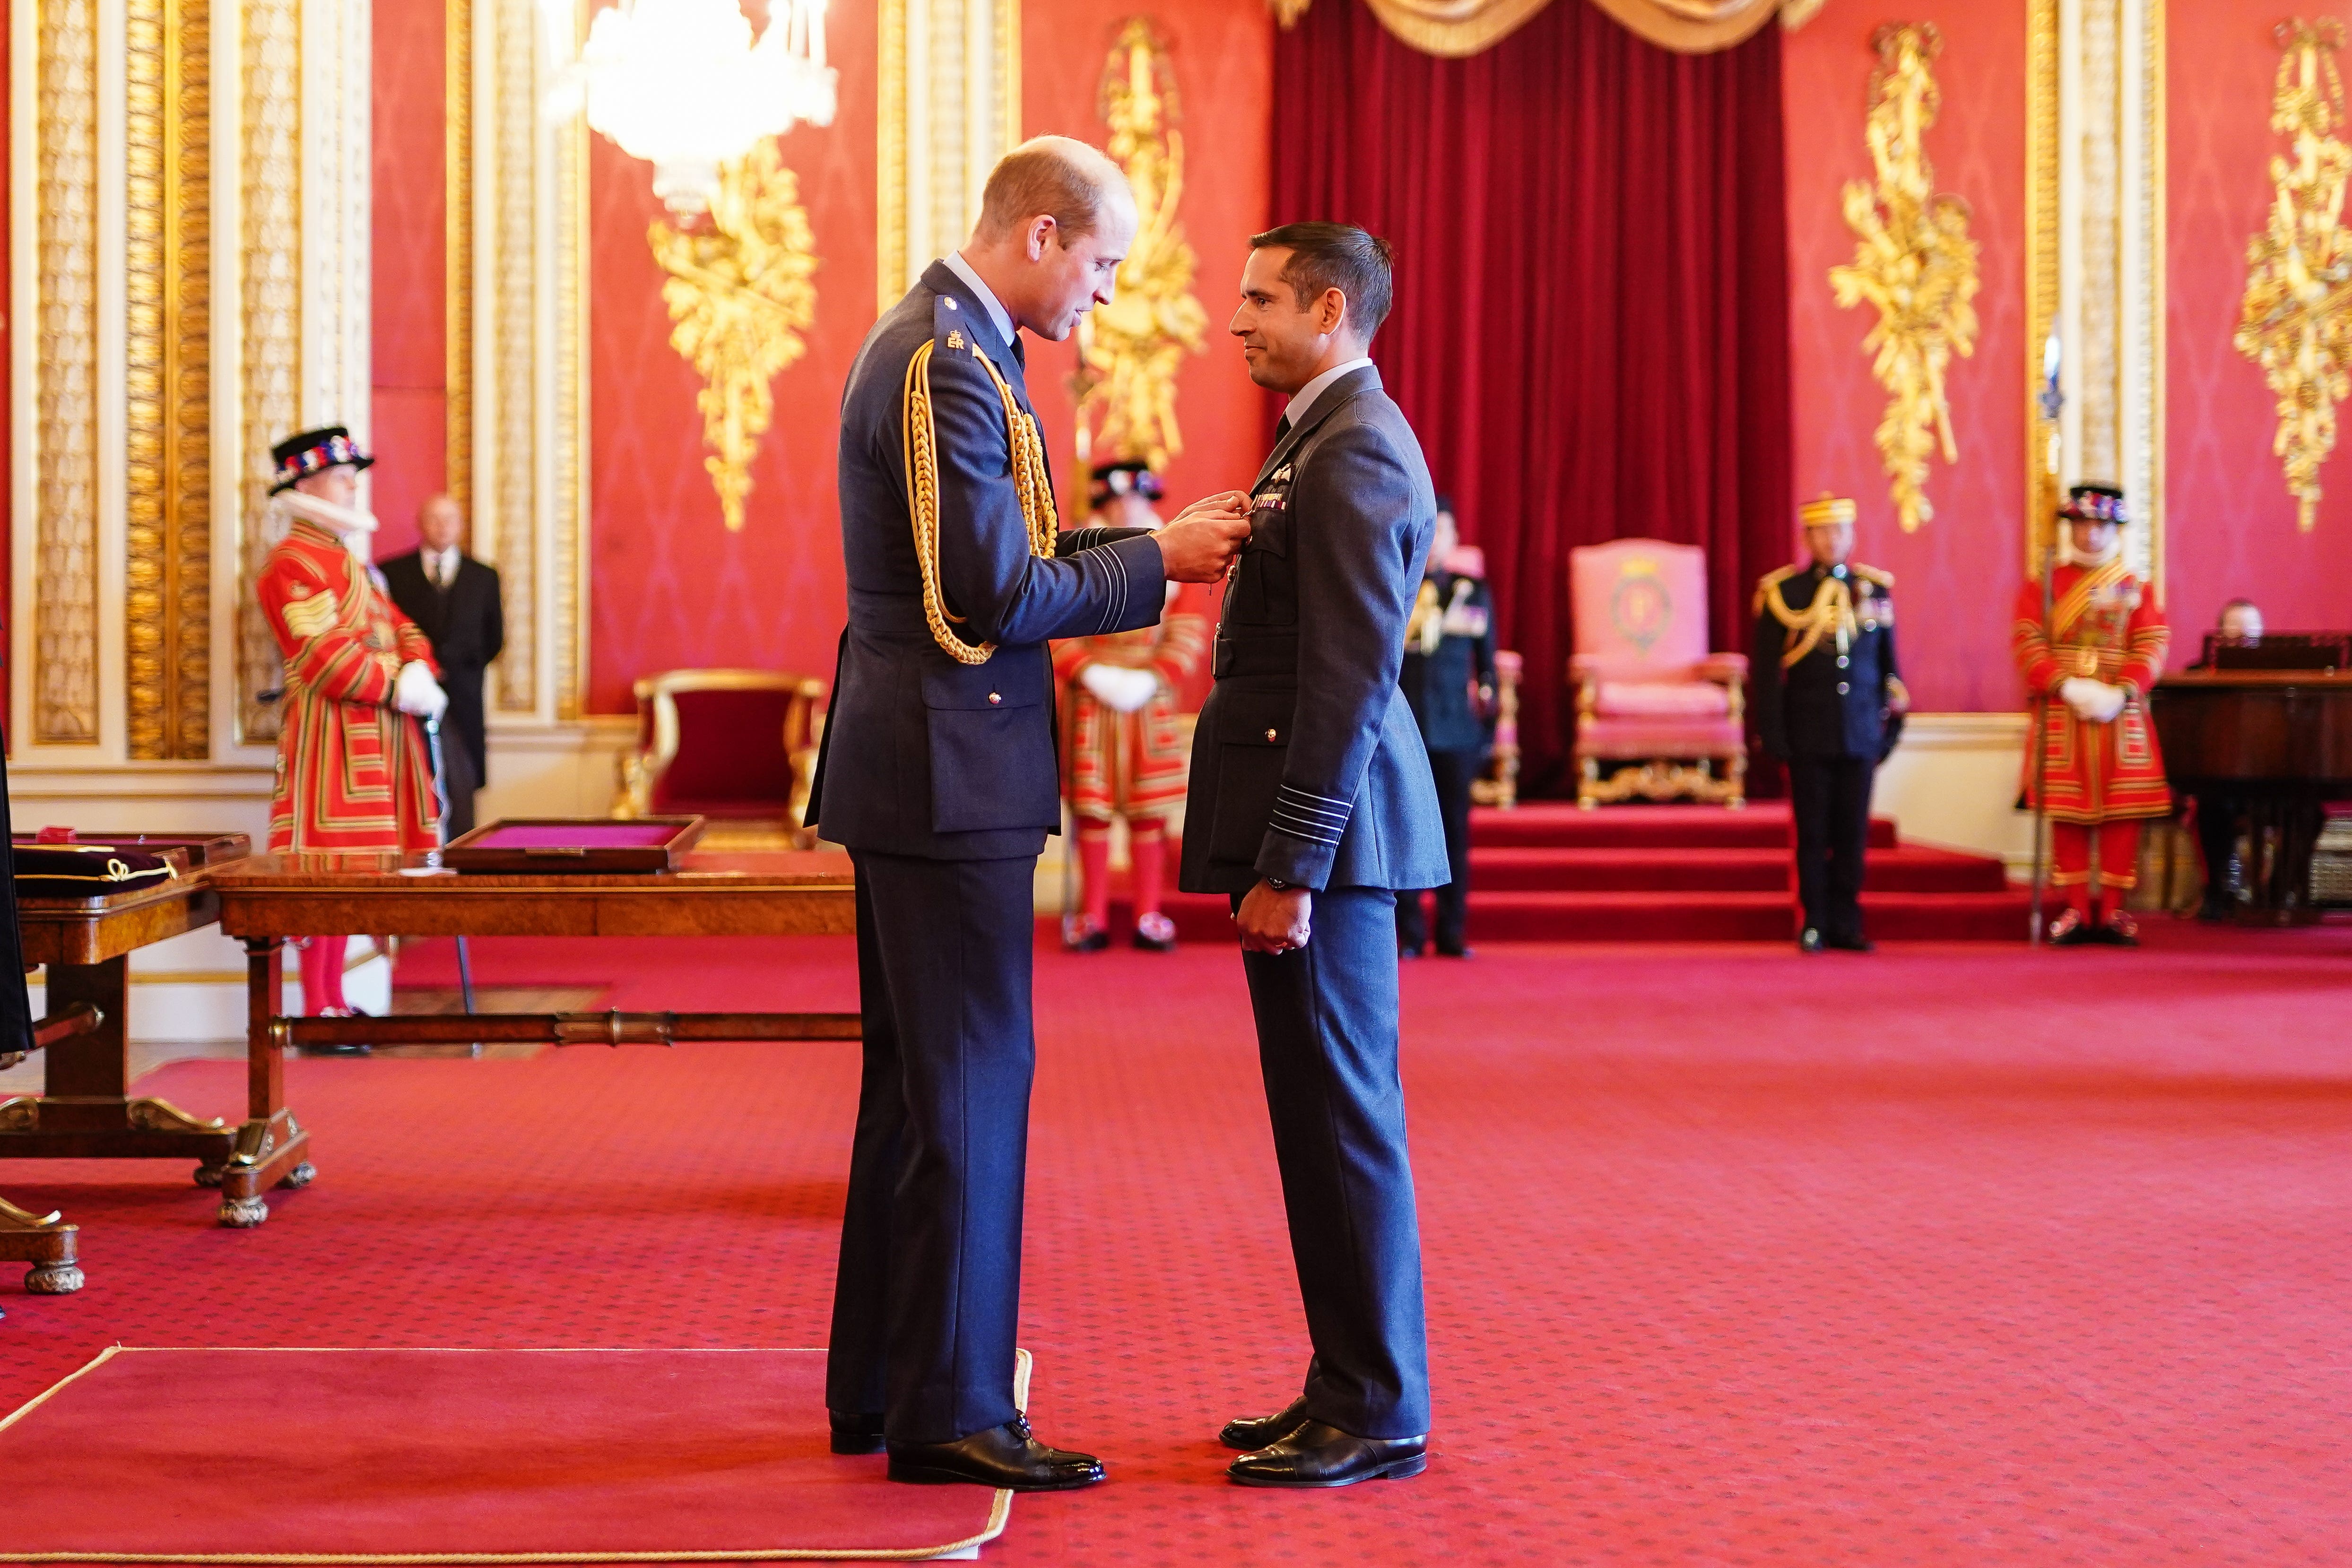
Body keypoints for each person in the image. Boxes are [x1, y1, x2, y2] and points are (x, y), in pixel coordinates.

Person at [804, 136, 1252, 1492]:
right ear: (1044, 234)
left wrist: (1133, 550)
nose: (1103, 294)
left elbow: (1007, 552)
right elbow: (986, 600)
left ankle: (880, 1386)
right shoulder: (947, 357)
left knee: (917, 1089)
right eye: (1103, 262)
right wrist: (1157, 565)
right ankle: (948, 1406)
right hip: (948, 771)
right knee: (968, 1087)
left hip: (929, 765)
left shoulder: (946, 340)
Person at [1180, 221, 1448, 1489]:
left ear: (1327, 308)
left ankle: (1380, 1405)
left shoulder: (1351, 449)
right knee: (1314, 1116)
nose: (1233, 319)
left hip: (1327, 844)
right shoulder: (1313, 433)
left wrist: (1289, 858)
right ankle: (1342, 1376)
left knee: (1344, 1118)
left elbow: (1343, 678)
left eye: (1256, 299)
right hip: (1312, 835)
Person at [257, 427, 447, 1016]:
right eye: (343, 479)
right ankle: (317, 1005)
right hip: (331, 738)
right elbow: (323, 657)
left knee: (356, 872)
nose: (352, 489)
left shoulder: (345, 560)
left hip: (373, 734)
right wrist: (396, 683)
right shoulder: (291, 563)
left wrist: (419, 669)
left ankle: (335, 999)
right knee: (326, 873)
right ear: (307, 483)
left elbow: (403, 625)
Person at [1050, 460, 1210, 952]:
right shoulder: (1078, 555)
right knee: (1092, 809)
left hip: (1149, 698)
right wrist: (1087, 670)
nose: (1131, 508)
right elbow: (1051, 619)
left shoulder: (1176, 561)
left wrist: (1154, 675)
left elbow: (1189, 627)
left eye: (1139, 501)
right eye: (1121, 502)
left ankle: (1148, 912)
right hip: (1091, 698)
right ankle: (1091, 913)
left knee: (1149, 812)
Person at [2012, 482, 2171, 945]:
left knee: (2124, 811)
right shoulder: (2041, 586)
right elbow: (2026, 642)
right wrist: (2063, 684)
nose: (2091, 534)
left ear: (2114, 529)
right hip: (2063, 706)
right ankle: (2078, 908)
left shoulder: (2135, 587)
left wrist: (2122, 691)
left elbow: (2152, 644)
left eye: (2100, 524)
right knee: (2069, 810)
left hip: (2120, 712)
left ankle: (2116, 910)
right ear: (2071, 528)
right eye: (2083, 523)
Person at [1752, 494, 1909, 953]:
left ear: (1851, 536)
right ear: (1806, 537)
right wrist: (1774, 734)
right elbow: (1766, 674)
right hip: (1808, 733)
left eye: (1840, 530)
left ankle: (1847, 921)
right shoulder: (1784, 593)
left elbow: (1888, 668)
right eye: (1821, 530)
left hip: (1859, 732)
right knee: (1813, 833)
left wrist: (1889, 732)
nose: (1831, 539)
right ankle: (1814, 920)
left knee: (1851, 834)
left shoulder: (1874, 590)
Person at [1394, 497, 1494, 958]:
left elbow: (1487, 668)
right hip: (1406, 729)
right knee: (1406, 832)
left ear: (1455, 540)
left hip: (1457, 731)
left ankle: (1453, 932)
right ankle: (1409, 933)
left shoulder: (1472, 591)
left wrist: (1487, 728)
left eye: (1446, 533)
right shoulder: (1397, 587)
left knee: (1455, 833)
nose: (1437, 542)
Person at [380, 494, 504, 839]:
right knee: (412, 774)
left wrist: (458, 668)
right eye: (434, 519)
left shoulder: (484, 576)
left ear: (461, 524)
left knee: (463, 779)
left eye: (450, 519)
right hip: (411, 696)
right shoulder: (392, 573)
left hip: (464, 696)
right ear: (421, 525)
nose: (442, 526)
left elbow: (494, 638)